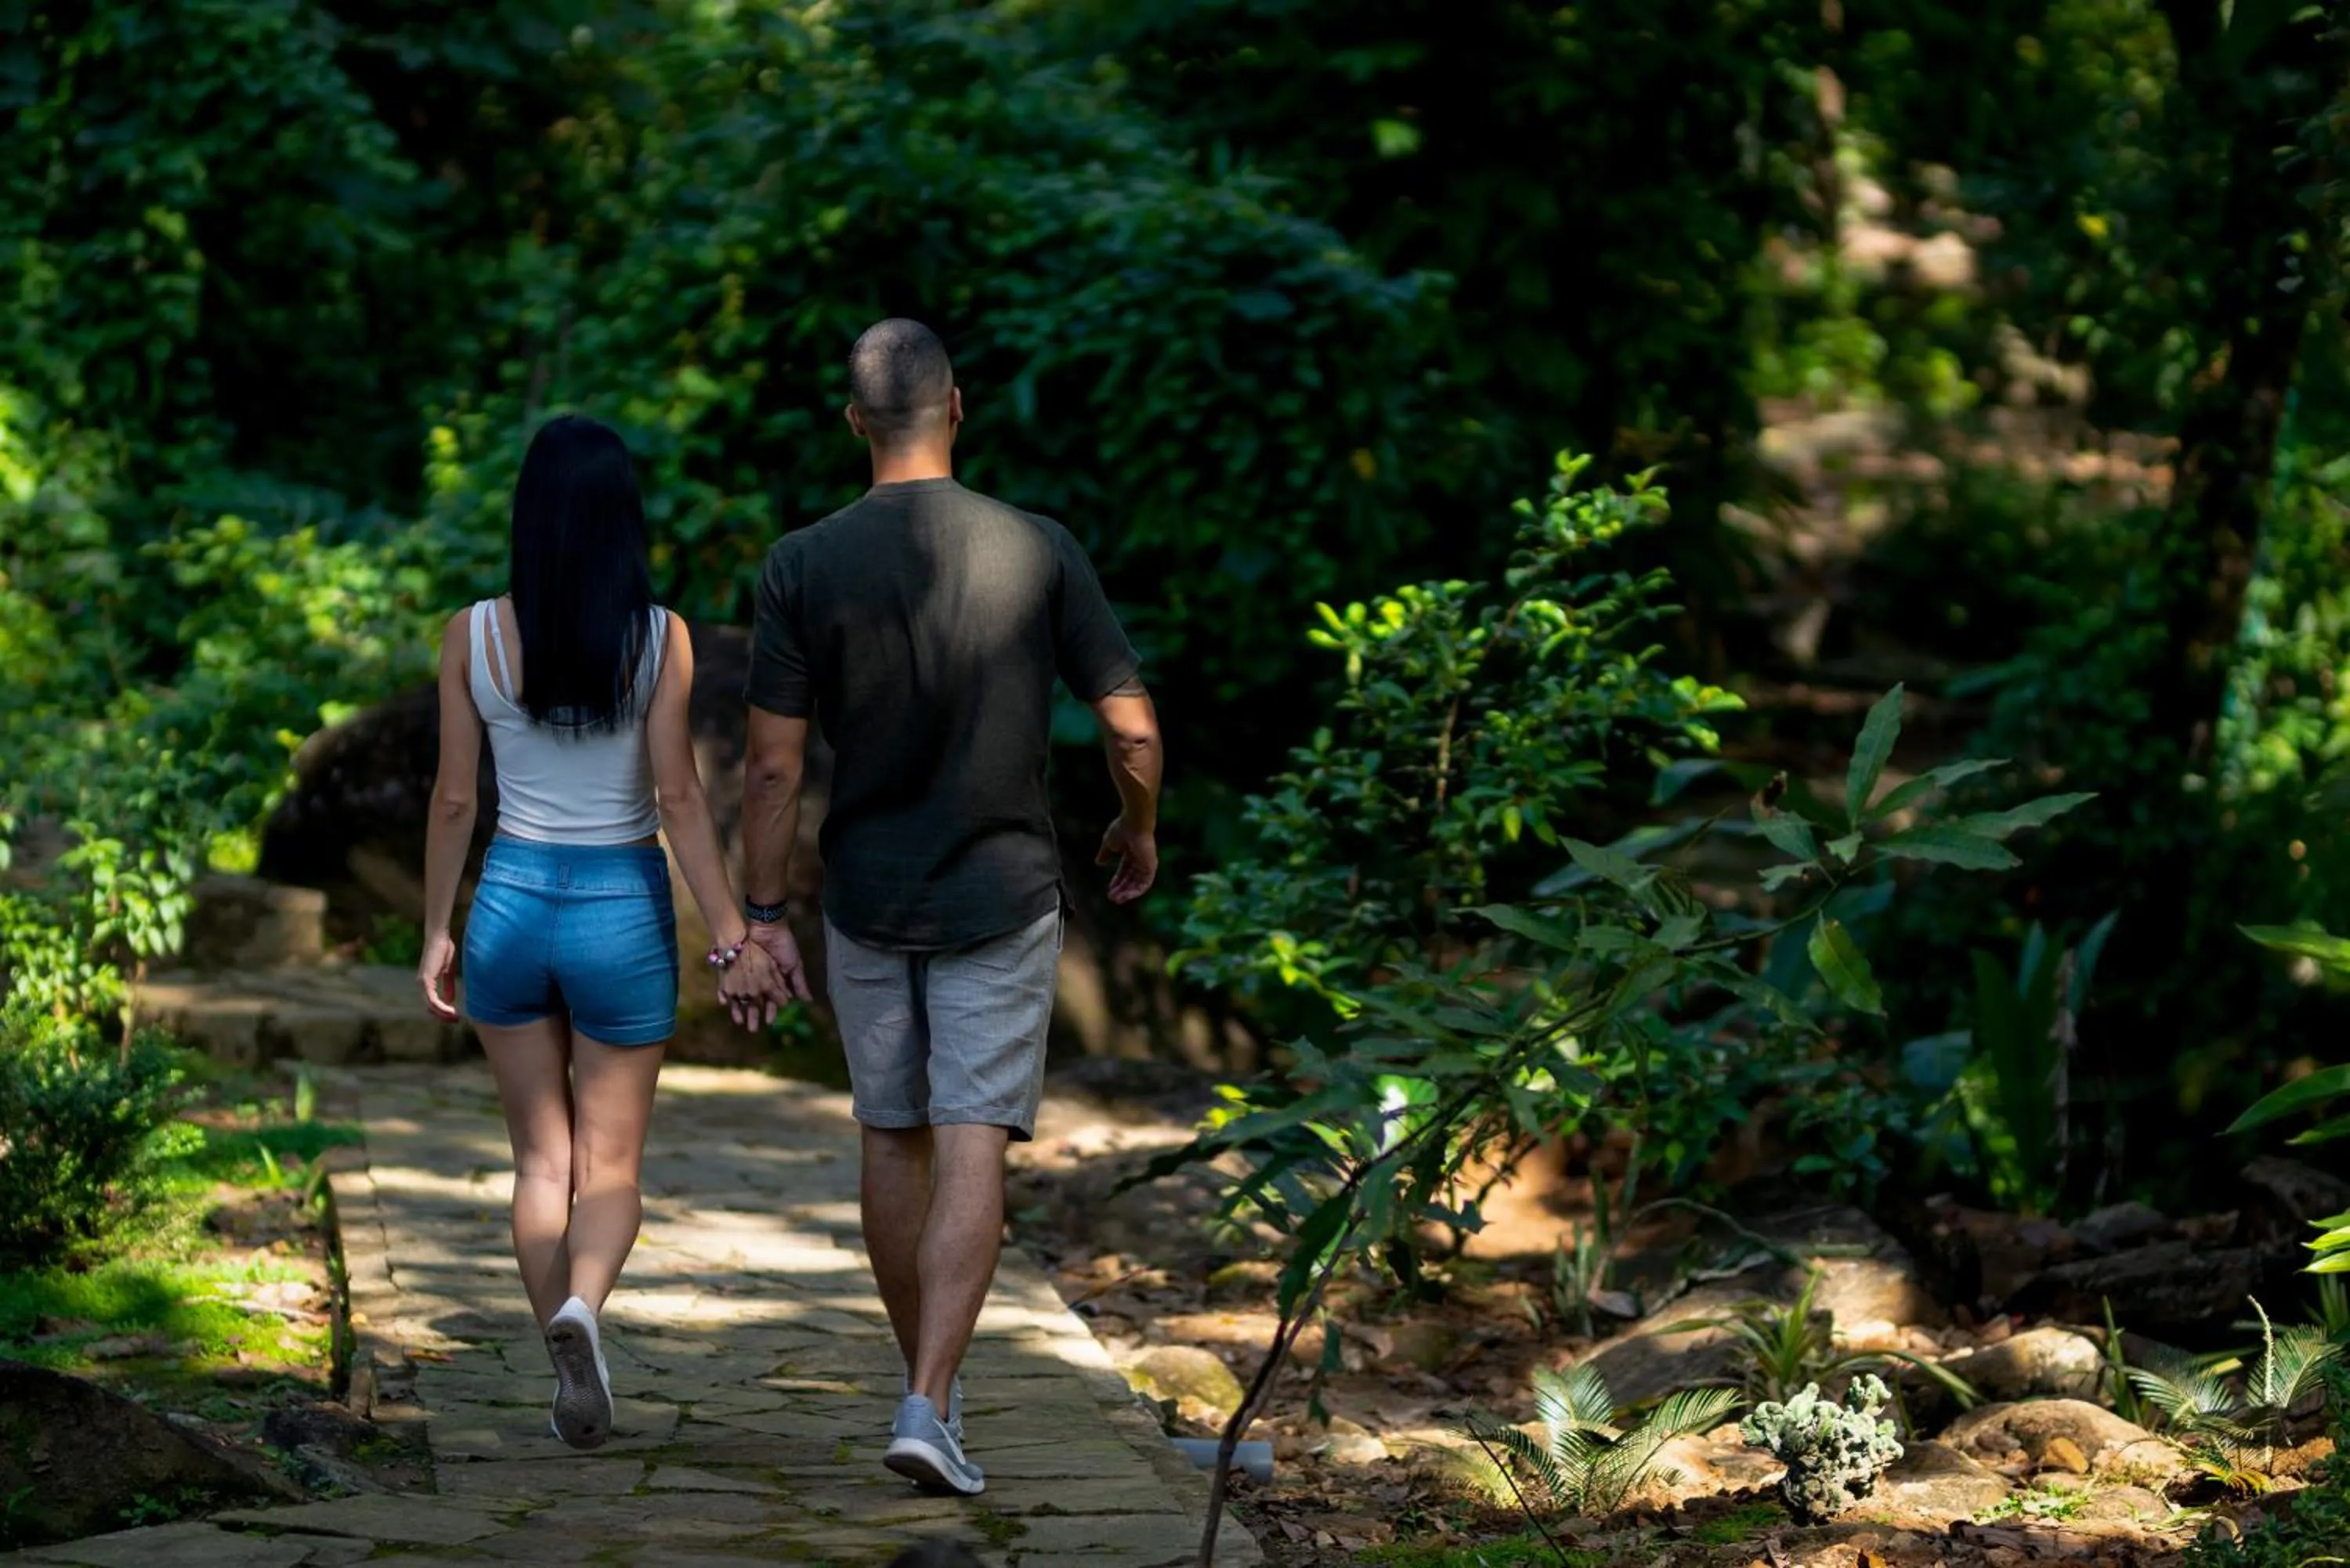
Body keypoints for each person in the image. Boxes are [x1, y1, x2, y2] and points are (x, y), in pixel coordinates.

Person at [723, 319, 1162, 1496]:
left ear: (854, 420)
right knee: (976, 1136)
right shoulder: (1038, 548)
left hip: (866, 898)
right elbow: (1130, 723)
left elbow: (770, 768)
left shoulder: (803, 563)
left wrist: (762, 912)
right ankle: (929, 1395)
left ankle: (932, 1386)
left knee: (893, 1133)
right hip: (1003, 891)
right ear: (956, 407)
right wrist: (1138, 824)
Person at [418, 414, 784, 1451]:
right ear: (625, 517)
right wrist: (732, 933)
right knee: (610, 1171)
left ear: (527, 514)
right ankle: (586, 1304)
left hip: (511, 902)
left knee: (541, 1161)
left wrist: (435, 931)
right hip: (620, 908)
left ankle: (562, 1352)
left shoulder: (472, 633)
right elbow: (677, 796)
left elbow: (455, 799)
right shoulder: (657, 636)